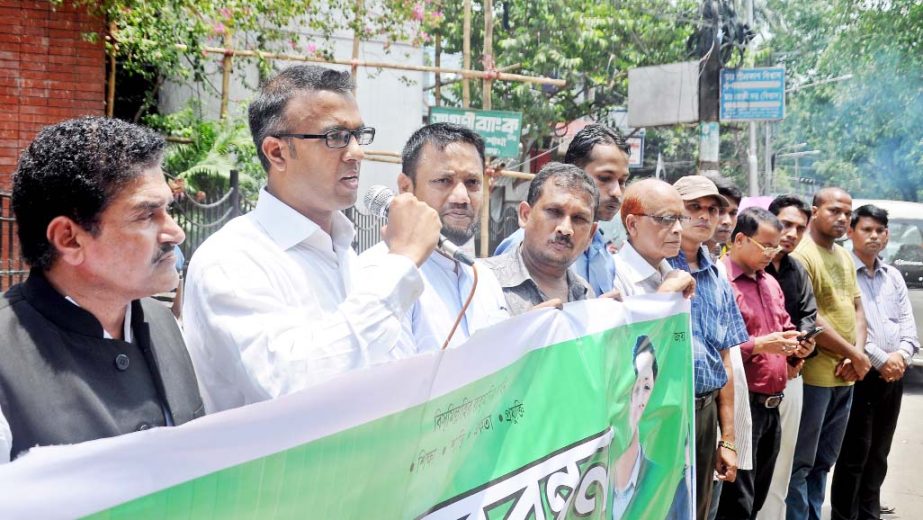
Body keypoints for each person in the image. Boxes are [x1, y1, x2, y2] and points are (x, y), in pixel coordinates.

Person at [183, 66, 442, 413]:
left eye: (358, 135)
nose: (357, 153)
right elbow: (293, 387)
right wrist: (402, 262)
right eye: (335, 137)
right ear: (277, 153)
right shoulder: (232, 259)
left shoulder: (344, 250)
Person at [0, 116, 204, 463]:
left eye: (168, 210)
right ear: (69, 238)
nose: (175, 232)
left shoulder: (163, 323)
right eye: (145, 215)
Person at [361, 123, 509, 352]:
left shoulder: (484, 278)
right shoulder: (379, 274)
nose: (462, 197)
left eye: (472, 183)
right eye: (443, 181)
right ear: (406, 187)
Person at [715, 208, 812, 520]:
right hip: (742, 406)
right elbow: (718, 347)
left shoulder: (769, 282)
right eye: (766, 246)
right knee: (736, 502)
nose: (772, 253)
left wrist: (799, 344)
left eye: (775, 247)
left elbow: (783, 327)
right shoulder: (721, 280)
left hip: (772, 407)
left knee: (757, 496)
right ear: (740, 239)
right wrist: (760, 344)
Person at [667, 175, 750, 520]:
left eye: (712, 210)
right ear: (673, 211)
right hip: (665, 412)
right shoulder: (654, 267)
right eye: (694, 207)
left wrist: (727, 439)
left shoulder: (716, 275)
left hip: (705, 413)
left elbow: (725, 361)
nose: (705, 216)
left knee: (700, 510)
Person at [830, 205, 919, 520]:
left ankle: (870, 514)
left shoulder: (892, 275)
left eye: (880, 231)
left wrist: (903, 355)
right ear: (851, 232)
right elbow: (846, 325)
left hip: (892, 376)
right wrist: (882, 360)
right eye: (866, 229)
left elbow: (908, 324)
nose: (874, 236)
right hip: (860, 372)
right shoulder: (841, 270)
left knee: (879, 454)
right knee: (854, 454)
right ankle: (845, 515)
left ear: (887, 236)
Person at [786, 187, 869, 520]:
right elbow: (812, 317)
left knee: (824, 462)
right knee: (801, 464)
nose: (842, 218)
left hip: (845, 377)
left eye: (848, 213)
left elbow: (857, 308)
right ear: (815, 211)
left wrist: (857, 355)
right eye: (835, 210)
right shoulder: (803, 255)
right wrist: (855, 354)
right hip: (815, 377)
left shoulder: (844, 256)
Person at [494, 124, 629, 296]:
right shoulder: (527, 246)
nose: (616, 192)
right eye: (605, 178)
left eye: (623, 181)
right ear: (573, 173)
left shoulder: (600, 248)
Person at [761, 194, 819, 520]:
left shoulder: (797, 270)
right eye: (785, 224)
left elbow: (809, 315)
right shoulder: (749, 266)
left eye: (799, 228)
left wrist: (804, 344)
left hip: (793, 376)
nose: (791, 234)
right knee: (750, 465)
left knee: (784, 464)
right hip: (754, 381)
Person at [481, 162, 598, 315]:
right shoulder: (480, 282)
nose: (565, 229)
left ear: (591, 234)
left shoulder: (587, 295)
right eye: (554, 212)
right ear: (525, 215)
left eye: (579, 218)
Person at [613, 178, 695, 298]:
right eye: (666, 219)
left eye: (681, 219)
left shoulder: (672, 273)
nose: (678, 229)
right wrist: (666, 293)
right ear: (633, 225)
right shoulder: (613, 275)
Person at [701, 172, 743, 262]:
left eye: (733, 213)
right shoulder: (672, 262)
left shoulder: (720, 265)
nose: (727, 221)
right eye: (719, 211)